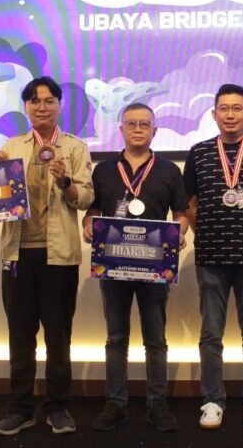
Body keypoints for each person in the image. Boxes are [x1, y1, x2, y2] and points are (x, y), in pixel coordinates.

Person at [0, 77, 95, 437]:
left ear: (59, 105)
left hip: (59, 256)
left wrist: (66, 182)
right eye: (34, 101)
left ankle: (58, 407)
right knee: (20, 335)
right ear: (26, 107)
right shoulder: (11, 146)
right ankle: (20, 409)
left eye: (49, 101)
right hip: (18, 254)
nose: (42, 107)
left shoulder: (75, 147)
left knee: (58, 336)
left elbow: (86, 198)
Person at [83, 103, 189, 432]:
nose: (138, 129)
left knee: (155, 339)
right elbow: (92, 211)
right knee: (116, 338)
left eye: (145, 124)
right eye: (132, 124)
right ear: (121, 129)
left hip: (155, 268)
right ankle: (115, 404)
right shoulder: (103, 170)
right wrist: (87, 225)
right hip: (113, 266)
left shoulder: (169, 170)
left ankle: (157, 405)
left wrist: (180, 233)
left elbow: (181, 214)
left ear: (155, 130)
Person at [183, 83, 243, 430]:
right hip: (210, 257)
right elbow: (190, 204)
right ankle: (212, 400)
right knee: (211, 334)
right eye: (223, 108)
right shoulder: (198, 152)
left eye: (237, 108)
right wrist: (205, 234)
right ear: (213, 114)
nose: (230, 114)